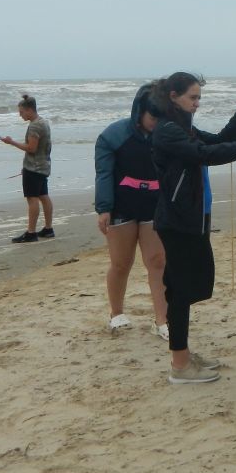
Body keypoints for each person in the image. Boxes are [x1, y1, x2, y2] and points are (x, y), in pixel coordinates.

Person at [149, 72, 236, 385]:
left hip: (192, 217)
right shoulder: (167, 130)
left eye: (199, 97)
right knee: (181, 291)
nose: (197, 103)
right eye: (192, 97)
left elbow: (216, 141)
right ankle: (179, 364)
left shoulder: (183, 126)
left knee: (188, 289)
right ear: (173, 96)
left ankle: (183, 355)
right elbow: (204, 154)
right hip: (177, 221)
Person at [94, 84, 169, 337]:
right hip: (121, 207)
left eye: (161, 118)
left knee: (157, 261)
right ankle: (116, 313)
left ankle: (162, 320)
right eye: (152, 117)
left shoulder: (167, 135)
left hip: (154, 204)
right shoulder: (113, 136)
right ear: (140, 111)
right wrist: (103, 208)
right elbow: (103, 174)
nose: (156, 123)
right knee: (121, 263)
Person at [0, 93, 54, 243]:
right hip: (43, 165)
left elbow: (31, 148)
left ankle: (31, 232)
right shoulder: (43, 122)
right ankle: (48, 229)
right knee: (43, 196)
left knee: (32, 198)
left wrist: (11, 142)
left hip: (34, 167)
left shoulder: (35, 125)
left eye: (21, 112)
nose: (20, 115)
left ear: (29, 110)